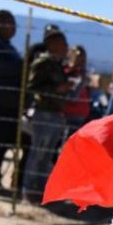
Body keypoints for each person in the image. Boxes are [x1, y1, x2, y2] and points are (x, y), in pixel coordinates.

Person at [22, 24, 71, 202]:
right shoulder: (43, 63)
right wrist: (56, 89)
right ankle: (29, 191)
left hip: (56, 113)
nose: (65, 46)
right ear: (52, 44)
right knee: (38, 153)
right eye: (62, 43)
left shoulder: (58, 65)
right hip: (44, 113)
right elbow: (32, 87)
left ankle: (41, 190)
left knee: (47, 154)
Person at [0, 10, 22, 195]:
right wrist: (20, 67)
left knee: (1, 147)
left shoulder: (7, 46)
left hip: (7, 106)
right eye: (10, 23)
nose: (14, 28)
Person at [62, 46, 91, 138]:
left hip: (81, 114)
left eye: (82, 58)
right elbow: (72, 96)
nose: (81, 61)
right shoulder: (66, 73)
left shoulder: (82, 74)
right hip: (70, 114)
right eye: (77, 57)